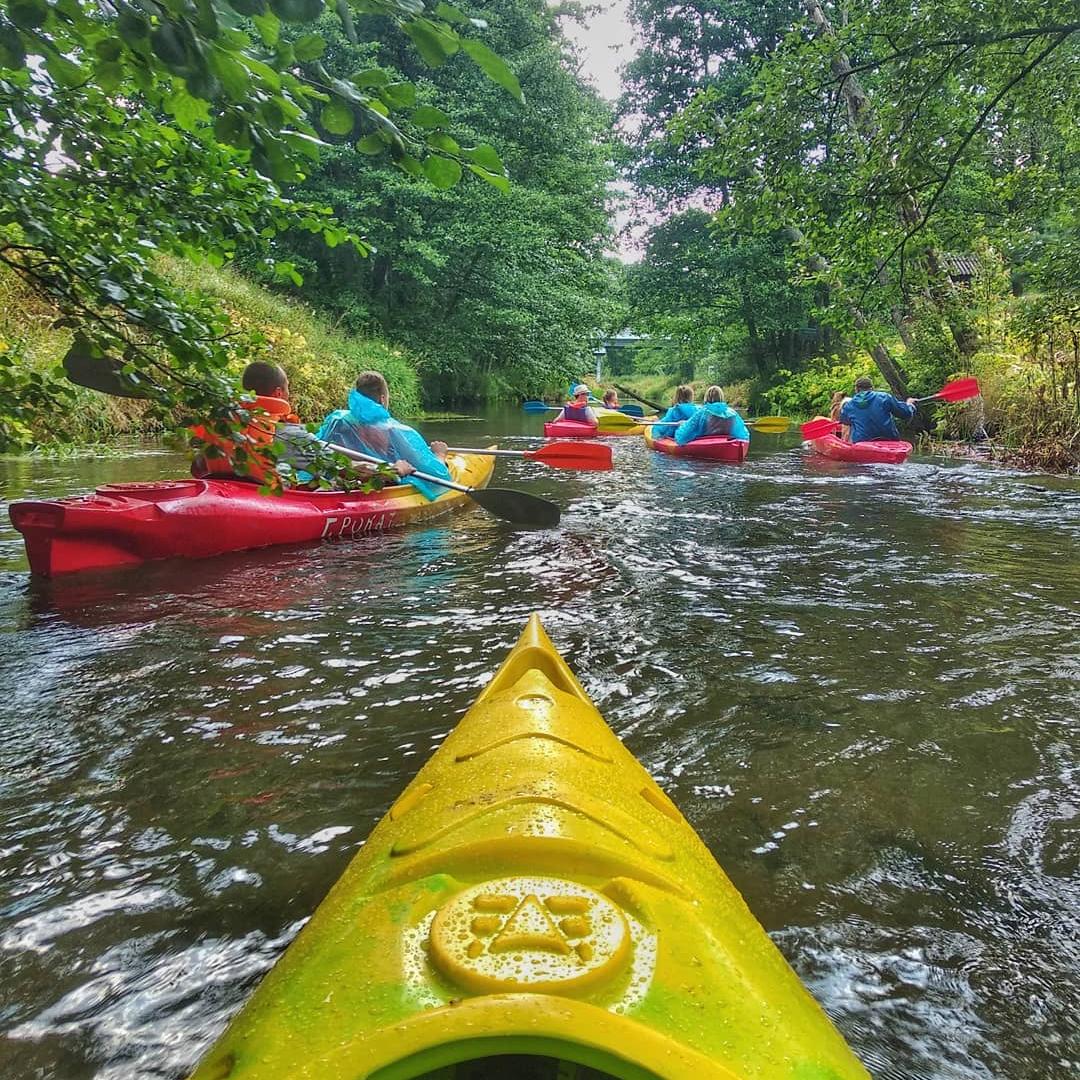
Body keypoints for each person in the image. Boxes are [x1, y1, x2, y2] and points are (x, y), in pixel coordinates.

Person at [192, 361, 375, 487]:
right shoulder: (288, 433)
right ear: (279, 393)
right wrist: (398, 469)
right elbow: (347, 469)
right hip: (262, 501)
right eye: (288, 387)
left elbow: (197, 468)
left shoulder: (222, 425)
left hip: (222, 490)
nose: (290, 392)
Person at [316, 370, 452, 501]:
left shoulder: (337, 420)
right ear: (382, 399)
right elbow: (439, 476)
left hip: (338, 483)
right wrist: (439, 454)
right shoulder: (397, 431)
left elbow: (316, 456)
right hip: (375, 486)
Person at [838, 376, 917, 443]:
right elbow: (905, 413)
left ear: (856, 389)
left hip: (862, 442)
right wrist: (909, 405)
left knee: (852, 425)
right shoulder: (885, 397)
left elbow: (844, 421)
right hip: (889, 439)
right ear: (872, 388)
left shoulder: (849, 405)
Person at [673, 386, 750, 445]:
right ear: (721, 397)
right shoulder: (732, 412)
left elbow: (683, 436)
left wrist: (682, 425)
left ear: (706, 397)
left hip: (707, 442)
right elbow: (743, 436)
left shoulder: (703, 412)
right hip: (727, 441)